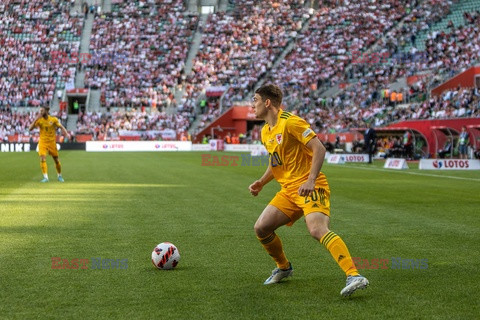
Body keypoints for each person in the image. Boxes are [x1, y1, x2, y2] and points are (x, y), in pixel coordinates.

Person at [248, 84, 369, 297]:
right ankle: (284, 267)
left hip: (310, 185)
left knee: (316, 229)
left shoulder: (291, 122)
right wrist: (262, 181)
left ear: (267, 102)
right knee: (261, 228)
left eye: (255, 99)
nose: (253, 104)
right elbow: (276, 163)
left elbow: (319, 148)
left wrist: (311, 180)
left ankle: (354, 275)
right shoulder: (265, 130)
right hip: (289, 190)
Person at [29, 107, 70, 182]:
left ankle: (59, 176)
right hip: (43, 142)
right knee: (42, 158)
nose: (40, 112)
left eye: (42, 111)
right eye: (40, 111)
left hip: (51, 142)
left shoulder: (53, 119)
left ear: (47, 111)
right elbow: (30, 128)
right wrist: (35, 119)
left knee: (56, 160)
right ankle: (45, 177)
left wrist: (66, 133)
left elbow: (61, 127)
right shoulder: (39, 120)